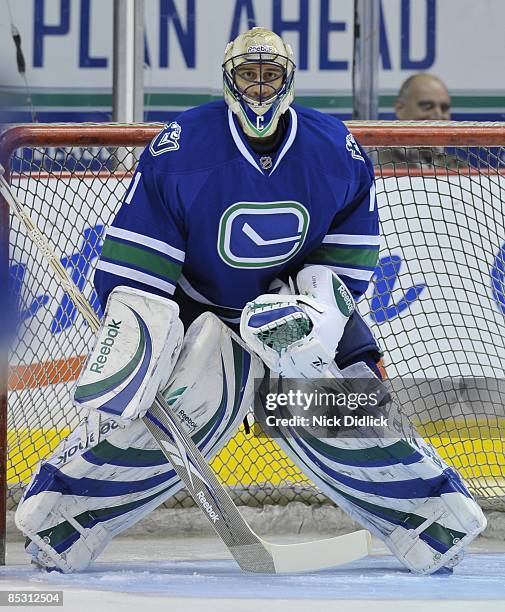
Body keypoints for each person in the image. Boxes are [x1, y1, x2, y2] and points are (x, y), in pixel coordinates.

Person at [15, 27, 484, 575]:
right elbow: (139, 264)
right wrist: (140, 335)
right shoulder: (184, 145)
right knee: (189, 406)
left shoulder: (332, 147)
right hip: (202, 314)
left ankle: (434, 522)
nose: (259, 88)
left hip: (288, 311)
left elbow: (346, 263)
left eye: (270, 76)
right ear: (228, 80)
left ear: (288, 81)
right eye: (248, 75)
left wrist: (319, 321)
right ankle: (60, 521)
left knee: (333, 409)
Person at [380, 73, 465, 168]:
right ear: (400, 108)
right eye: (427, 106)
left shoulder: (459, 167)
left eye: (444, 108)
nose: (438, 114)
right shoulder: (373, 162)